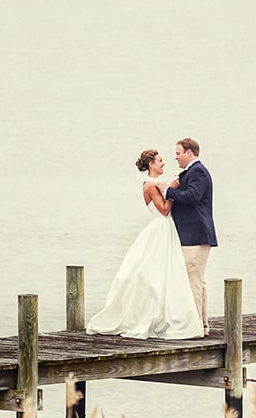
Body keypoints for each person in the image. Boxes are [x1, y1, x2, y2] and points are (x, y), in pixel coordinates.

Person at [86, 149, 203, 339]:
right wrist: (171, 190)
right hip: (161, 228)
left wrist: (170, 189)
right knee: (153, 274)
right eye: (160, 160)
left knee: (168, 273)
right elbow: (164, 210)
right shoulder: (149, 185)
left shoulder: (156, 184)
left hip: (167, 230)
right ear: (151, 165)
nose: (163, 163)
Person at [161, 137, 217, 337]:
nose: (175, 157)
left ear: (189, 152)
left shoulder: (198, 171)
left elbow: (193, 196)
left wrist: (168, 191)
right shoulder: (192, 171)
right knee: (197, 281)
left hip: (195, 235)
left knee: (192, 281)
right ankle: (201, 325)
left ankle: (194, 327)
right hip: (193, 235)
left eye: (178, 153)